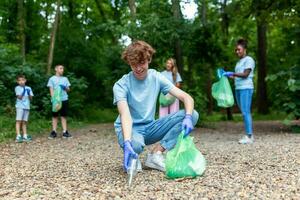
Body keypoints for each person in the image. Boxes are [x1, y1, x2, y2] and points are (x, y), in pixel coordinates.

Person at [113, 40, 199, 172]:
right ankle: (132, 155)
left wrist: (187, 117)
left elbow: (186, 97)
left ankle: (155, 155)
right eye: (133, 64)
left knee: (192, 114)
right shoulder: (121, 84)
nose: (138, 68)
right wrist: (127, 142)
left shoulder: (156, 77)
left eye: (142, 63)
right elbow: (125, 115)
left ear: (149, 59)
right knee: (135, 146)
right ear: (129, 63)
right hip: (130, 129)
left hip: (149, 127)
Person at [223, 38, 255, 144]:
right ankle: (248, 134)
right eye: (236, 50)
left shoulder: (249, 60)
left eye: (239, 49)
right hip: (238, 88)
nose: (237, 51)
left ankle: (249, 136)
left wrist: (231, 73)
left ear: (244, 49)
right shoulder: (239, 62)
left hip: (246, 88)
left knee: (246, 112)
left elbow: (245, 75)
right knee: (243, 112)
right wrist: (227, 75)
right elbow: (237, 76)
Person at [47, 65, 72, 139]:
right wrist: (53, 100)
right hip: (56, 100)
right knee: (55, 116)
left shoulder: (65, 79)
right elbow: (51, 90)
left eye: (63, 69)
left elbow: (68, 90)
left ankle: (65, 132)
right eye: (61, 68)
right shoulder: (52, 79)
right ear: (56, 69)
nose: (62, 70)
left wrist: (65, 87)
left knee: (63, 116)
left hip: (64, 99)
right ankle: (54, 132)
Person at [15, 75, 33, 143]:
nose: (21, 82)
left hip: (27, 106)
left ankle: (25, 135)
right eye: (19, 80)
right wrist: (24, 91)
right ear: (17, 82)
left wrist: (28, 93)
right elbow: (19, 97)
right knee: (18, 121)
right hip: (20, 106)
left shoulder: (29, 88)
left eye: (22, 80)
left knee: (24, 122)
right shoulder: (17, 88)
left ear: (25, 80)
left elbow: (31, 99)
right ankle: (18, 136)